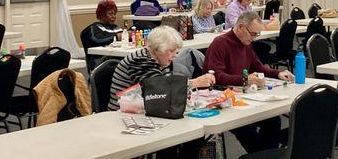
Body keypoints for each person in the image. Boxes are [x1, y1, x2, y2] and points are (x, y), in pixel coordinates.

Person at [203, 11, 294, 153]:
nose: (254, 38)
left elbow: (257, 66)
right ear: (240, 27)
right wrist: (245, 80)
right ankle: (262, 156)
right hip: (223, 99)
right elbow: (217, 77)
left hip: (242, 96)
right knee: (247, 128)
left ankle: (267, 155)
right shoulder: (220, 43)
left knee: (273, 120)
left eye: (257, 35)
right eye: (253, 34)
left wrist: (278, 73)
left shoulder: (246, 43)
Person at [108, 25, 214, 111]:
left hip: (144, 111)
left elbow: (168, 89)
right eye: (171, 51)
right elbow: (160, 91)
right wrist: (194, 83)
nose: (175, 55)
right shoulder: (140, 60)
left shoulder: (161, 61)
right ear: (158, 49)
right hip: (123, 115)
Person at [81, 0, 123, 72]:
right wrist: (115, 37)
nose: (114, 16)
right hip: (101, 60)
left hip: (116, 57)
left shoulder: (116, 27)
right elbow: (98, 39)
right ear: (102, 15)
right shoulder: (95, 27)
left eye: (115, 14)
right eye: (110, 14)